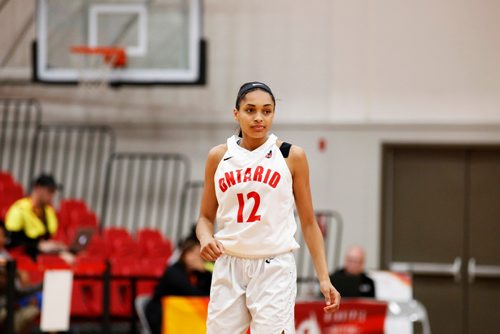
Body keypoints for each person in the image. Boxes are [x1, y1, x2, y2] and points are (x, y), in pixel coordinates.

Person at [196, 81, 341, 334]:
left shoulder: (291, 156)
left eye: (267, 110)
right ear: (236, 113)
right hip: (229, 263)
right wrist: (205, 237)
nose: (258, 117)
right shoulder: (218, 157)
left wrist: (324, 278)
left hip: (274, 267)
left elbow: (308, 223)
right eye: (250, 110)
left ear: (274, 113)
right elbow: (205, 218)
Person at [145, 236, 212, 334]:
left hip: (184, 314)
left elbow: (210, 292)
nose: (195, 258)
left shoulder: (196, 273)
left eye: (198, 255)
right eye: (192, 253)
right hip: (162, 314)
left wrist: (204, 272)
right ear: (183, 254)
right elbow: (193, 294)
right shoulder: (173, 272)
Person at [5, 174, 70, 262]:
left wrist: (56, 246)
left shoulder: (49, 211)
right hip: (23, 259)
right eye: (49, 191)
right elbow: (10, 241)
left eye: (53, 192)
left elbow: (48, 237)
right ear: (38, 188)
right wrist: (38, 246)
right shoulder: (20, 208)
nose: (52, 195)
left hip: (41, 257)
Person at [0, 225, 41, 334]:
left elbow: (17, 290)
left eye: (2, 235)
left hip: (13, 301)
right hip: (4, 305)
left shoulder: (6, 256)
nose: (2, 238)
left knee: (36, 305)